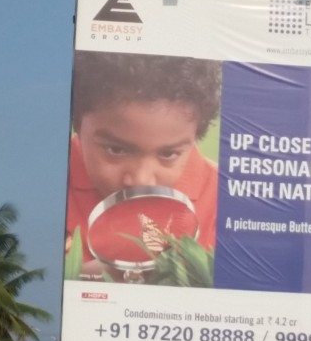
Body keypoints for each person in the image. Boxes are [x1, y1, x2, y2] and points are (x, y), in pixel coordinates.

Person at [65, 51, 221, 280]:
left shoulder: (225, 201)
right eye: (116, 150)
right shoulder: (46, 181)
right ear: (77, 126)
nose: (141, 180)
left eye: (168, 154)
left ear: (195, 137)